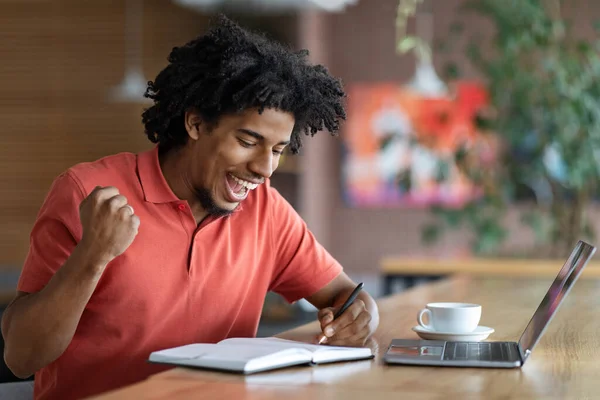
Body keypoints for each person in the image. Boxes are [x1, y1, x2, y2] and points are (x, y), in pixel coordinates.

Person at [1, 15, 379, 400]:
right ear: (196, 123)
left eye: (278, 150)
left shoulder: (266, 211)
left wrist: (362, 318)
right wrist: (92, 257)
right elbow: (21, 357)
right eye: (248, 141)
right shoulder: (87, 192)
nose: (265, 169)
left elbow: (348, 296)